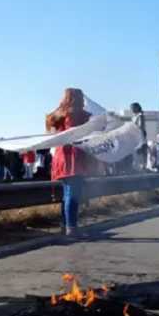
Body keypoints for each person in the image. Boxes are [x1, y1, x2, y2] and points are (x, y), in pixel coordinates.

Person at [46, 88, 94, 236]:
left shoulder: (58, 114)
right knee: (73, 194)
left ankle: (65, 225)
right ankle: (71, 228)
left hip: (61, 156)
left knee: (67, 193)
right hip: (74, 155)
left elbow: (51, 125)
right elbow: (88, 128)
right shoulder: (78, 114)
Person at [130, 103, 147, 172]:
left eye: (133, 108)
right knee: (135, 154)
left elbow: (141, 126)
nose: (131, 109)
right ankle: (136, 167)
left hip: (139, 136)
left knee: (140, 153)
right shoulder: (134, 116)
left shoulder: (140, 115)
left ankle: (142, 167)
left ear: (137, 108)